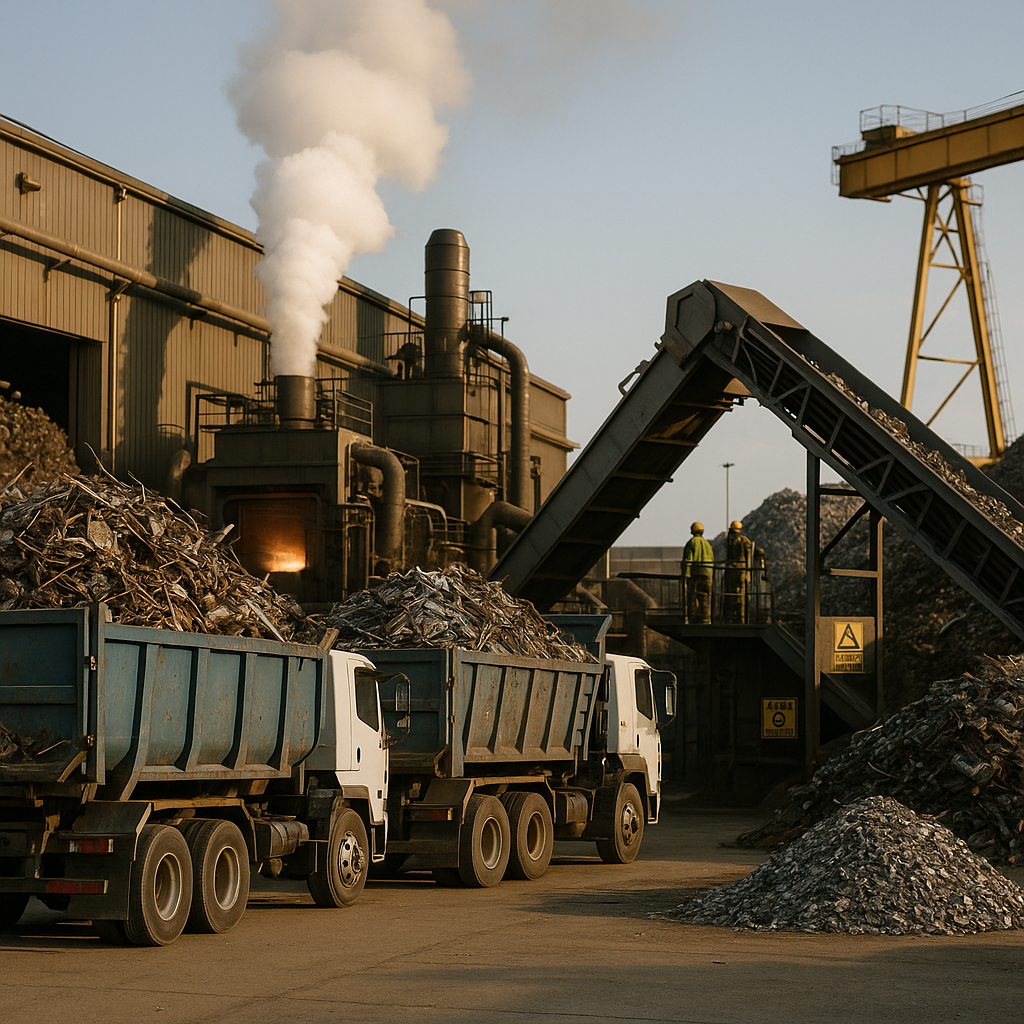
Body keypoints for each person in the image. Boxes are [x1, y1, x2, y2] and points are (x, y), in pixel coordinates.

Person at [681, 521, 714, 624]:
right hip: (708, 574)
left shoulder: (691, 542)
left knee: (693, 597)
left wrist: (686, 575)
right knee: (706, 597)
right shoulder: (707, 544)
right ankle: (706, 619)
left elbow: (688, 560)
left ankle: (693, 619)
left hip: (696, 574)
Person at [723, 520, 754, 623]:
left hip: (731, 570)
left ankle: (729, 617)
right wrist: (748, 573)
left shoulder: (729, 541)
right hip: (742, 571)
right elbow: (748, 558)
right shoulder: (745, 541)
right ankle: (742, 618)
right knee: (741, 595)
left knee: (730, 595)